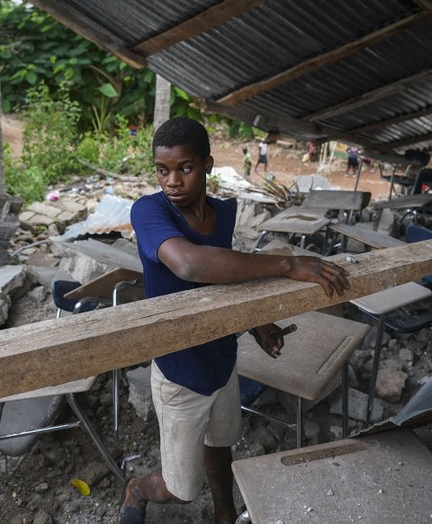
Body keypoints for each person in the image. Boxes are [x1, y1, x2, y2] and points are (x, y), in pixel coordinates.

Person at [121, 117, 350, 524]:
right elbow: (189, 265)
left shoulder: (223, 214)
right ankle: (138, 488)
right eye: (162, 170)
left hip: (222, 360)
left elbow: (222, 279)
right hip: (179, 370)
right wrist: (287, 264)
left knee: (221, 443)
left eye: (184, 168)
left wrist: (255, 320)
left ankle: (225, 514)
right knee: (182, 488)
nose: (172, 181)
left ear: (208, 165)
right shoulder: (149, 211)